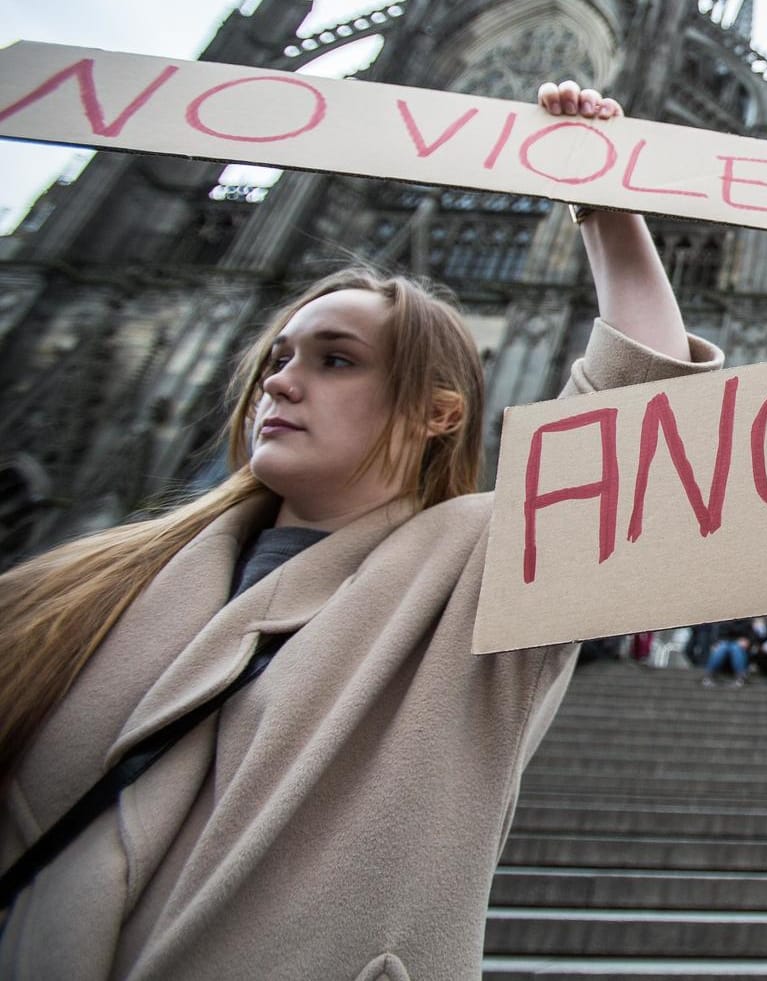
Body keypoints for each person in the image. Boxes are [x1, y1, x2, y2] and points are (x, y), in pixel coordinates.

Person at [0, 83, 722, 978]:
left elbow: (633, 409)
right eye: (278, 357)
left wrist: (603, 196)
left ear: (438, 413)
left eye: (335, 359)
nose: (282, 381)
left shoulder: (472, 581)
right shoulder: (78, 584)